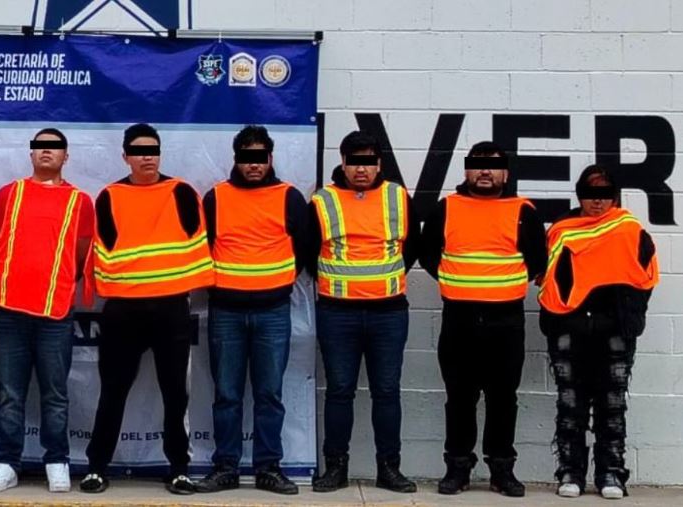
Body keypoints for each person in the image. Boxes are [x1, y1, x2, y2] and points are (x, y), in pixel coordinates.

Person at [81, 123, 214, 496]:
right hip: (122, 311)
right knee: (112, 392)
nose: (147, 157)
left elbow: (197, 244)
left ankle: (179, 469)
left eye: (152, 150)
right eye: (139, 151)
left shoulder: (182, 192)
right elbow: (100, 251)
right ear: (125, 156)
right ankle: (96, 468)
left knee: (176, 394)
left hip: (171, 309)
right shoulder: (109, 196)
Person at [420, 141, 547, 497]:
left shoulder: (523, 211)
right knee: (459, 398)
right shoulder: (447, 208)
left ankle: (502, 470)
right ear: (467, 171)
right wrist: (456, 281)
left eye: (493, 166)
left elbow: (538, 259)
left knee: (503, 398)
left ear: (505, 173)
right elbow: (428, 255)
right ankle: (457, 468)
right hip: (459, 320)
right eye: (478, 165)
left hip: (506, 322)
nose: (485, 171)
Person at [194, 126, 307, 495]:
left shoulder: (289, 197)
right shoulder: (216, 198)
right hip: (226, 312)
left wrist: (278, 282)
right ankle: (225, 467)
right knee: (226, 395)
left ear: (270, 159)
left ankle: (268, 468)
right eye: (247, 157)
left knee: (269, 394)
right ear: (236, 159)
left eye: (260, 157)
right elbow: (202, 247)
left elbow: (305, 248)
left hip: (273, 311)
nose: (254, 165)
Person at [0, 128, 95, 493]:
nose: (47, 152)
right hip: (10, 312)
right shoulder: (8, 194)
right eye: (40, 147)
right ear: (31, 154)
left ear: (66, 156)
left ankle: (57, 460)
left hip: (55, 314)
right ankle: (7, 462)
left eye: (54, 147)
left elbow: (81, 254)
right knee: (10, 394)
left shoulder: (80, 201)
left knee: (55, 394)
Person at [308, 132, 420, 494]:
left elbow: (412, 247)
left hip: (388, 313)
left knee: (386, 392)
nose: (361, 169)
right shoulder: (323, 200)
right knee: (339, 391)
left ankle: (389, 469)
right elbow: (308, 252)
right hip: (337, 313)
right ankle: (335, 468)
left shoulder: (397, 196)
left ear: (379, 164)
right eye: (354, 161)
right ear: (342, 163)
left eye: (368, 161)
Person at [539, 166, 658, 500]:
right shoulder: (561, 231)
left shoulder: (630, 230)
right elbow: (547, 278)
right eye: (591, 194)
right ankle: (570, 472)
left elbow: (645, 279)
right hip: (569, 326)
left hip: (614, 328)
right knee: (570, 404)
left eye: (604, 194)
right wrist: (560, 320)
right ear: (580, 195)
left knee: (612, 406)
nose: (597, 202)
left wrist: (627, 318)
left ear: (614, 197)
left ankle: (611, 473)